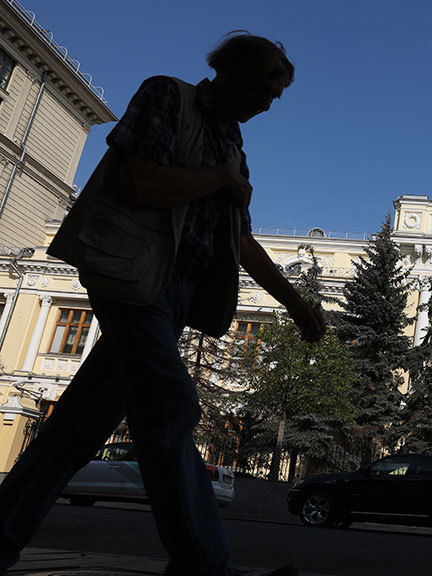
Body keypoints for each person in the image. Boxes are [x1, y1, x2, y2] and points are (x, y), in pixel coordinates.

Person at [0, 32, 323, 576]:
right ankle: (205, 565)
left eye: (277, 94)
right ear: (230, 71)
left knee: (73, 431)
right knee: (170, 408)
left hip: (173, 297)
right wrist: (219, 179)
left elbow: (239, 240)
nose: (270, 102)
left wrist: (296, 304)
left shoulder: (233, 146)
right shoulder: (168, 96)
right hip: (131, 275)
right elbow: (138, 182)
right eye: (264, 86)